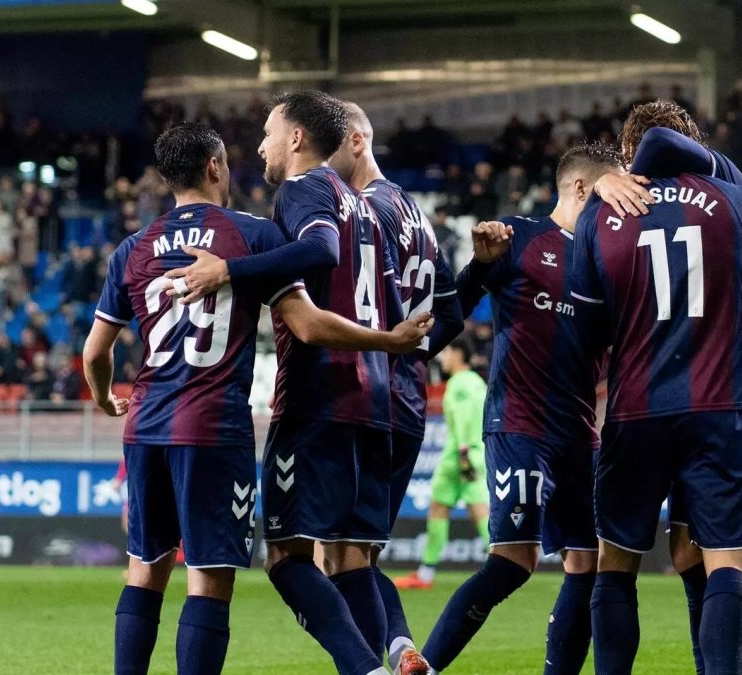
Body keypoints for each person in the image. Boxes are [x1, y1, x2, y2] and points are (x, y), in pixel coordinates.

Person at [83, 121, 431, 675]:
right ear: (215, 166)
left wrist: (104, 398)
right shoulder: (251, 235)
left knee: (144, 569)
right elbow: (311, 326)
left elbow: (94, 352)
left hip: (145, 425)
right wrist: (388, 340)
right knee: (209, 578)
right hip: (213, 429)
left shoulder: (134, 247)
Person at [161, 93, 410, 675]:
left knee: (286, 557)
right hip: (377, 401)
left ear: (297, 138)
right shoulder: (369, 207)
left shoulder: (303, 189)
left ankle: (364, 669)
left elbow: (319, 251)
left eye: (269, 133)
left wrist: (228, 269)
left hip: (320, 399)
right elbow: (394, 309)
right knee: (350, 563)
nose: (261, 146)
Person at [570, 103, 742, 675]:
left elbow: (583, 331)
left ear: (628, 155)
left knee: (625, 560)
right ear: (698, 144)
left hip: (635, 407)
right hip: (724, 397)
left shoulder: (601, 215)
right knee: (718, 557)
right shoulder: (732, 195)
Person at [416, 144, 634, 675]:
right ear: (583, 189)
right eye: (614, 191)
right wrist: (477, 266)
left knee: (588, 564)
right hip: (520, 425)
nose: (622, 205)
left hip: (581, 435)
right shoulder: (519, 239)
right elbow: (452, 313)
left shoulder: (609, 262)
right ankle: (425, 666)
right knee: (515, 561)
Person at [327, 101, 465, 674]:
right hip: (404, 398)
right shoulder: (415, 213)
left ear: (357, 141)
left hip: (369, 395)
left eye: (327, 144)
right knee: (355, 555)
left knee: (335, 557)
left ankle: (380, 662)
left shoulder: (364, 211)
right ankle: (401, 650)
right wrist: (410, 358)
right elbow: (451, 316)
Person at [395, 338, 489, 591]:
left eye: (447, 351)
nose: (443, 357)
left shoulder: (458, 384)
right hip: (476, 452)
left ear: (459, 354)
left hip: (460, 454)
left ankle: (425, 574)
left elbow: (462, 418)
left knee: (440, 510)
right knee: (476, 510)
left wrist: (463, 452)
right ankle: (505, 563)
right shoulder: (478, 383)